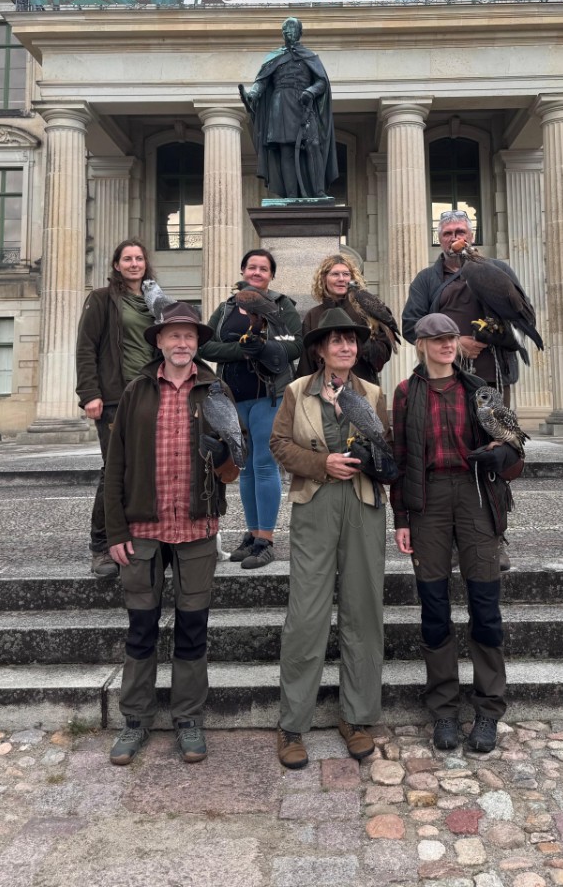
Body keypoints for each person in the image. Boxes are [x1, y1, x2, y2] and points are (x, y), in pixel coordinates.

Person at [104, 302, 238, 766]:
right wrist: (114, 530)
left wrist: (224, 455)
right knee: (141, 627)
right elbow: (115, 464)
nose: (182, 343)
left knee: (193, 627)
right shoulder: (138, 390)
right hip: (143, 525)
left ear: (198, 343)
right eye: (173, 335)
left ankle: (188, 718)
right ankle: (135, 719)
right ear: (159, 341)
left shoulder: (216, 390)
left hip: (197, 525)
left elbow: (234, 468)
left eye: (189, 336)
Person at [391, 313, 523, 755]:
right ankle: (444, 709)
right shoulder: (406, 393)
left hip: (475, 497)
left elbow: (514, 448)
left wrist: (503, 455)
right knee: (434, 608)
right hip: (427, 501)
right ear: (422, 345)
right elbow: (401, 458)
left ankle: (488, 708)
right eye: (438, 339)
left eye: (451, 338)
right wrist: (401, 518)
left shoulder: (478, 389)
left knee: (484, 606)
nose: (447, 345)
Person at [269, 308, 394, 770]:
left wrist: (367, 457)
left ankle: (357, 717)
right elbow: (279, 445)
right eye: (337, 340)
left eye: (352, 341)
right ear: (320, 349)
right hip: (315, 503)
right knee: (306, 614)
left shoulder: (373, 394)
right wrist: (323, 463)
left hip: (363, 505)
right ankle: (292, 724)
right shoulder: (297, 391)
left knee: (364, 611)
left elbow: (389, 448)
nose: (346, 347)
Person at [199, 248, 303, 568]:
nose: (257, 272)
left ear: (271, 276)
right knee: (244, 467)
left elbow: (297, 344)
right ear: (243, 271)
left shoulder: (282, 305)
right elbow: (205, 345)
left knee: (264, 464)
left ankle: (265, 540)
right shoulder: (226, 307)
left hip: (269, 395)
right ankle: (252, 532)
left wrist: (265, 347)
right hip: (234, 397)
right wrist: (243, 351)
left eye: (263, 269)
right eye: (252, 267)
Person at [76, 238, 156, 578]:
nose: (134, 264)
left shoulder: (153, 300)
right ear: (116, 265)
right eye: (127, 259)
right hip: (113, 398)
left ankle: (136, 536)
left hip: (149, 395)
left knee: (146, 468)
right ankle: (101, 545)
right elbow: (86, 347)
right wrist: (89, 393)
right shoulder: (102, 299)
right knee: (115, 470)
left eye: (139, 258)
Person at [402, 210, 534, 409]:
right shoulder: (426, 279)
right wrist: (454, 345)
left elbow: (524, 318)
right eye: (447, 233)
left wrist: (494, 335)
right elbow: (410, 326)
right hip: (444, 378)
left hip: (493, 378)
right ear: (440, 240)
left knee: (493, 429)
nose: (454, 238)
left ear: (471, 236)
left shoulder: (499, 270)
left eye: (460, 232)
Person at [238, 16, 338, 199]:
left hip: (304, 104)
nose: (288, 31)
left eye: (292, 28)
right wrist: (252, 94)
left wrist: (311, 91)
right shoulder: (273, 57)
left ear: (300, 32)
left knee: (313, 144)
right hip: (280, 105)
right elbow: (261, 82)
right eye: (285, 29)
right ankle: (290, 195)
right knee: (286, 150)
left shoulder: (310, 56)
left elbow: (322, 82)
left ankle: (318, 191)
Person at [296, 253, 395, 385]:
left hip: (362, 387)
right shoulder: (313, 315)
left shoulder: (364, 309)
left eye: (346, 274)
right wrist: (304, 392)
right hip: (324, 390)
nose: (341, 279)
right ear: (324, 279)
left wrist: (358, 340)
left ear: (352, 279)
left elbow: (382, 357)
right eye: (335, 274)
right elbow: (306, 364)